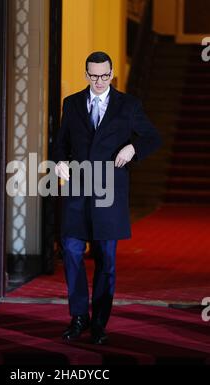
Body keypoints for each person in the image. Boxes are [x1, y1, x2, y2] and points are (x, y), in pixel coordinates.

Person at [53, 51, 161, 344]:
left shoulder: (129, 105)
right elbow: (60, 143)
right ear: (86, 74)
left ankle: (99, 322)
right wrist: (60, 161)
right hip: (78, 190)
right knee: (72, 253)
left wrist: (133, 150)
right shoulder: (72, 103)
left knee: (106, 260)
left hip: (109, 193)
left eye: (104, 75)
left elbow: (153, 137)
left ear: (112, 73)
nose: (99, 81)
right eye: (93, 75)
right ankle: (78, 316)